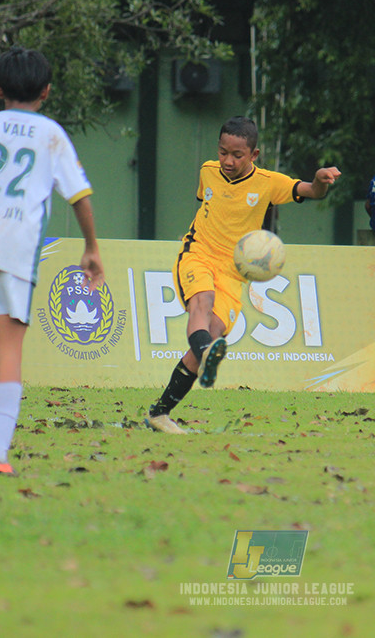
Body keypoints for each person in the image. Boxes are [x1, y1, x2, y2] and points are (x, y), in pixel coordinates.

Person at [0, 46, 104, 474]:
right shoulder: (51, 133)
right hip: (16, 246)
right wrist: (91, 247)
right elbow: (79, 195)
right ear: (47, 91)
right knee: (9, 348)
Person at [146, 116, 341, 434]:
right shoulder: (208, 172)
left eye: (237, 155)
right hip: (197, 254)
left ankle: (159, 413)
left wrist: (319, 180)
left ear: (254, 155)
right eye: (223, 152)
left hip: (233, 274)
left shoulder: (268, 182)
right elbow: (207, 205)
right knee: (201, 306)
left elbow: (311, 192)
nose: (228, 161)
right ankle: (206, 352)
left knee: (210, 335)